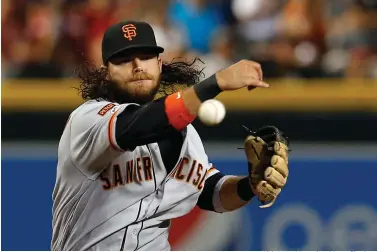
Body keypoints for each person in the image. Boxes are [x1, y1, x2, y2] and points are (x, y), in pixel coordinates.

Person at [51, 20, 289, 251]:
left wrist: (250, 185)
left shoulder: (185, 134)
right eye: (124, 60)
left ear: (159, 63)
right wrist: (216, 83)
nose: (137, 66)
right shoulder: (88, 120)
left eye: (146, 57)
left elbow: (211, 193)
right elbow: (140, 125)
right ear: (105, 73)